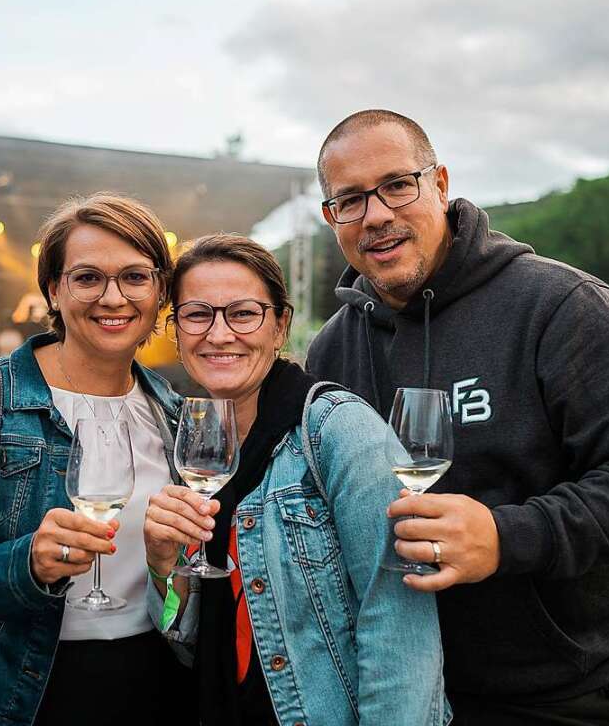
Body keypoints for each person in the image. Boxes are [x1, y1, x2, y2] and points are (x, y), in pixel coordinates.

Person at [306, 108, 609, 724]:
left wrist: (505, 538)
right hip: (395, 693)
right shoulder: (332, 349)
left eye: (397, 184)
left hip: (557, 694)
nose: (376, 215)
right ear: (331, 217)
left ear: (440, 183)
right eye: (350, 200)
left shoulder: (562, 307)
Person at [0, 193, 195, 726]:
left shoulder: (173, 413)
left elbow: (180, 584)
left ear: (159, 293)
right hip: (20, 691)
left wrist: (171, 574)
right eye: (88, 278)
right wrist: (26, 563)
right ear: (54, 291)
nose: (113, 298)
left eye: (135, 277)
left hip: (158, 683)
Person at [143, 234, 448, 725]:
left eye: (243, 313)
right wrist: (163, 567)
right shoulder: (191, 444)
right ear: (176, 330)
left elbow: (399, 629)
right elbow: (186, 636)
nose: (219, 334)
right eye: (197, 314)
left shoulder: (338, 430)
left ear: (280, 325)